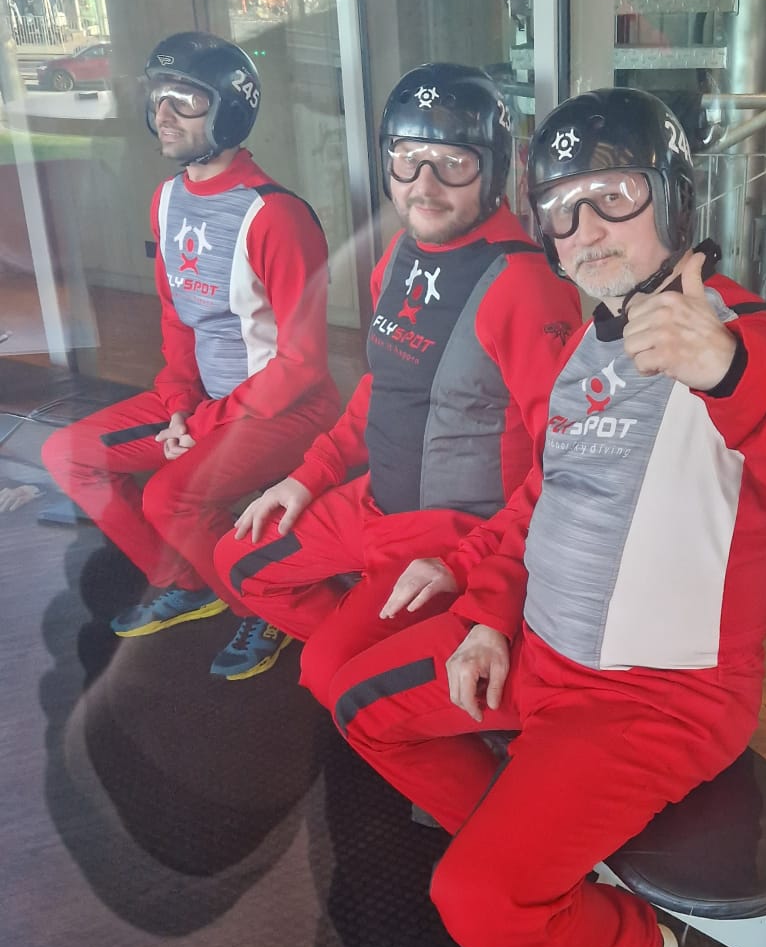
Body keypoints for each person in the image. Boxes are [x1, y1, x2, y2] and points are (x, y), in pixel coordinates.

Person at [319, 88, 766, 947]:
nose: (584, 226)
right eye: (561, 206)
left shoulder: (743, 337)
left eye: (613, 195)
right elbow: (540, 502)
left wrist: (727, 373)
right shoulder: (588, 342)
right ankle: (548, 855)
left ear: (670, 197)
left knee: (476, 902)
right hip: (540, 656)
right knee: (358, 704)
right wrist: (485, 616)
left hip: (656, 702)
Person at [212, 62, 580, 697]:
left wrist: (482, 570)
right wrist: (309, 475)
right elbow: (380, 389)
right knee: (238, 562)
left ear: (494, 169)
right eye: (408, 159)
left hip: (454, 531)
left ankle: (394, 675)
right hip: (373, 506)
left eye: (453, 162)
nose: (424, 186)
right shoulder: (400, 256)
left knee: (326, 674)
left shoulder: (526, 285)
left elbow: (565, 459)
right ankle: (386, 664)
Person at [41, 30, 338, 681]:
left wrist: (200, 425)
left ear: (229, 110)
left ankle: (267, 607)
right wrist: (180, 405)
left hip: (285, 409)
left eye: (187, 99)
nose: (165, 114)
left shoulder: (275, 216)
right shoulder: (168, 199)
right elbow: (177, 319)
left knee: (170, 497)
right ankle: (187, 581)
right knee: (69, 455)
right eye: (158, 97)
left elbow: (303, 363)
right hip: (204, 403)